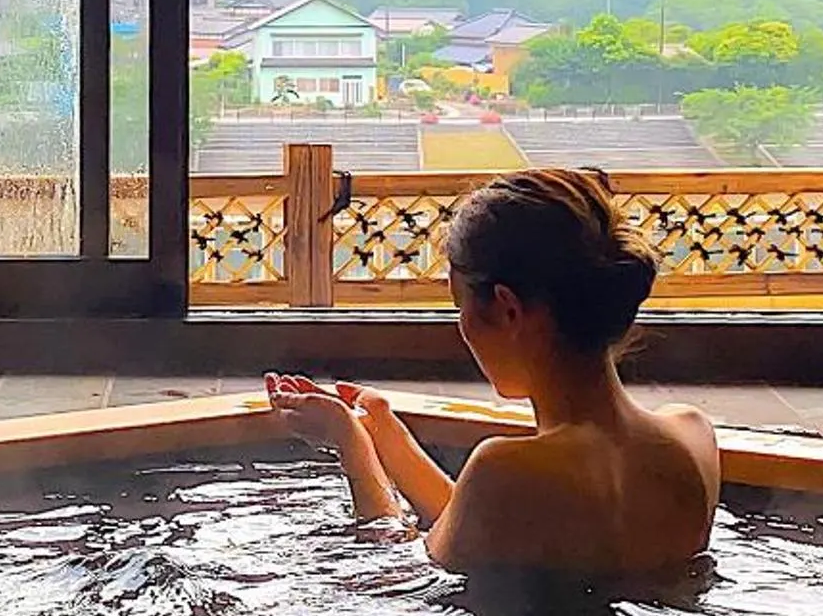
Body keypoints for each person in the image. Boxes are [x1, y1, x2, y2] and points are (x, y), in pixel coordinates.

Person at [264, 167, 720, 577]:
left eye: (459, 305)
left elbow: (400, 572)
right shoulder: (693, 436)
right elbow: (482, 529)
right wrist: (385, 432)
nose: (462, 327)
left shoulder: (503, 469)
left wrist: (352, 448)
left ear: (507, 310)